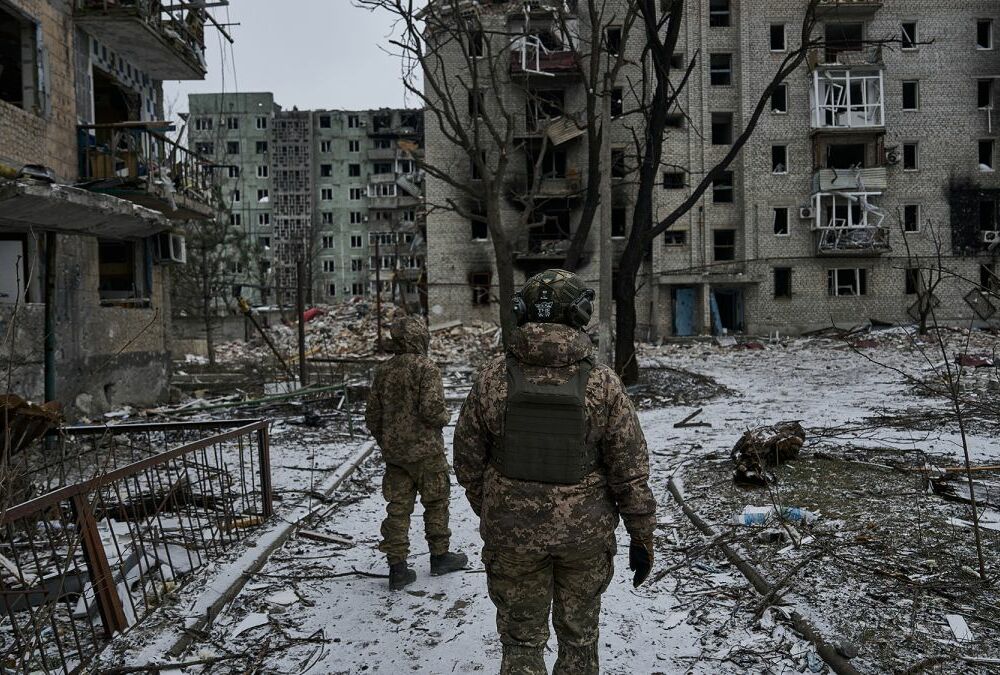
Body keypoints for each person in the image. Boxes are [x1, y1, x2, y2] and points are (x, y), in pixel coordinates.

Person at [454, 269, 656, 675]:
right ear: (579, 315)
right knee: (579, 641)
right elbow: (629, 470)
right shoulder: (602, 383)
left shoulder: (493, 378)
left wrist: (498, 507)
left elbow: (467, 460)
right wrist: (641, 535)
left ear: (524, 313)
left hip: (511, 537)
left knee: (521, 644)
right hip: (584, 539)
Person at [365, 316, 468, 590]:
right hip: (427, 452)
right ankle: (440, 556)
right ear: (421, 338)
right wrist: (445, 417)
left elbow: (372, 416)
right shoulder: (427, 368)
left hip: (396, 456)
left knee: (397, 509)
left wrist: (387, 441)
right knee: (436, 503)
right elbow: (432, 411)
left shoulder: (383, 371)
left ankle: (397, 568)